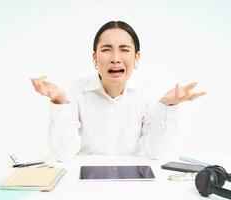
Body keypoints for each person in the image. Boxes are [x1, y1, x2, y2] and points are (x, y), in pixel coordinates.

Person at [31, 21, 206, 161]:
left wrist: (168, 105)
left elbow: (155, 152)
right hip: (82, 182)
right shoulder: (73, 91)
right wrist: (60, 102)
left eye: (124, 50)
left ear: (136, 57)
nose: (115, 59)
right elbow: (63, 154)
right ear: (95, 57)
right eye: (106, 50)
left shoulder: (148, 91)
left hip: (133, 183)